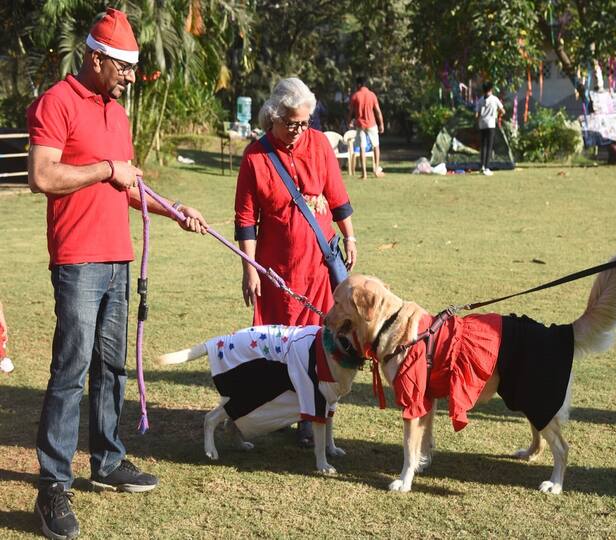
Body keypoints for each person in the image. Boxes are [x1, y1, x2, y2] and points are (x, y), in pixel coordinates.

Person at [26, 9, 208, 539]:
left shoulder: (117, 114)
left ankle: (106, 461)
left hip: (118, 259)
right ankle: (52, 488)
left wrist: (175, 211)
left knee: (111, 367)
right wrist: (107, 169)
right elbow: (42, 175)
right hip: (78, 260)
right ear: (97, 58)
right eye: (124, 67)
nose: (131, 77)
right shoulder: (57, 102)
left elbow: (127, 186)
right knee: (71, 369)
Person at [234, 77, 357, 446]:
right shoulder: (255, 157)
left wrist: (350, 236)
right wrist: (250, 270)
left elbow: (338, 197)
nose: (299, 131)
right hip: (276, 274)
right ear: (273, 116)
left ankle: (310, 418)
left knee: (318, 345)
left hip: (318, 271)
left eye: (305, 122)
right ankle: (273, 414)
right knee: (276, 344)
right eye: (292, 123)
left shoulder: (318, 144)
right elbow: (245, 219)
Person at [348, 76, 385, 179]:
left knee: (362, 147)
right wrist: (381, 124)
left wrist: (349, 122)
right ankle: (376, 170)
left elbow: (351, 112)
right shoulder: (372, 95)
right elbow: (377, 111)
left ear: (358, 84)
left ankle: (364, 173)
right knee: (376, 146)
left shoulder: (355, 96)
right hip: (372, 124)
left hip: (360, 125)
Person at [475, 81, 505, 176]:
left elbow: (476, 114)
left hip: (482, 124)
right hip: (491, 124)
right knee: (489, 146)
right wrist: (497, 116)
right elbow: (503, 111)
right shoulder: (494, 99)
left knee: (483, 146)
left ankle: (482, 166)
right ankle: (487, 167)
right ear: (491, 89)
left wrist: (479, 120)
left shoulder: (480, 100)